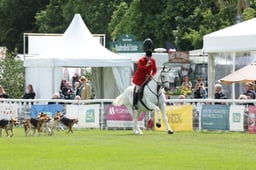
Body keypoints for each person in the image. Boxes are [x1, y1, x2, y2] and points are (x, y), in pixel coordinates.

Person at [132, 38, 157, 109]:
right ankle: (135, 104)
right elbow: (140, 68)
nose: (149, 57)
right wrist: (146, 66)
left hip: (148, 79)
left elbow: (155, 69)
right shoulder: (141, 60)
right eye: (148, 56)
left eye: (150, 56)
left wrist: (152, 75)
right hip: (139, 79)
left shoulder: (153, 60)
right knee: (137, 90)